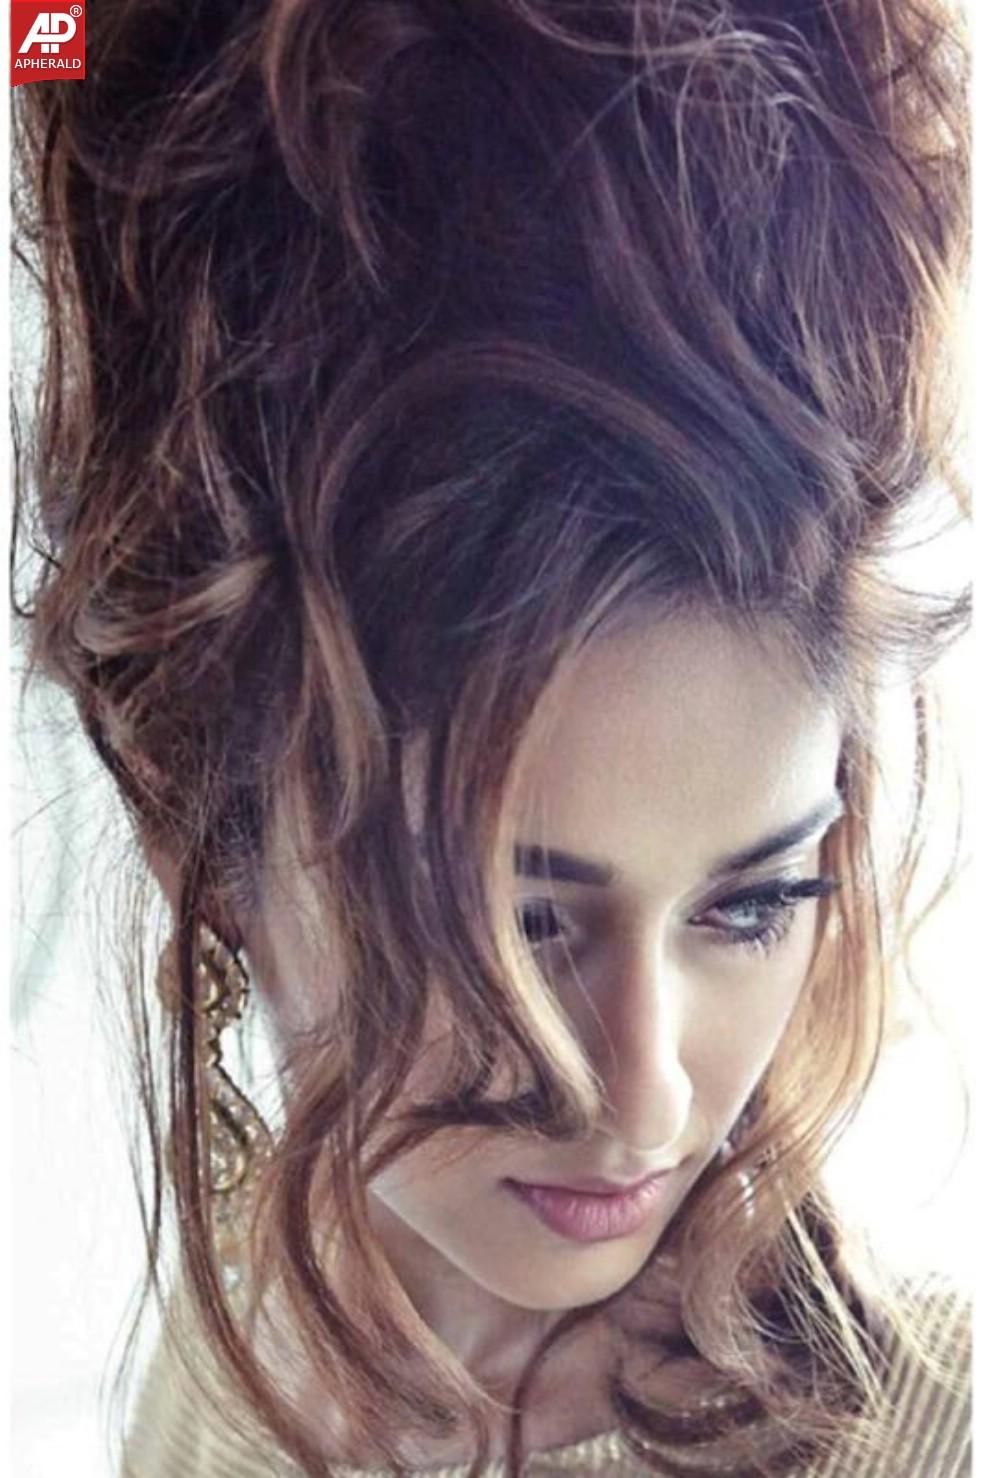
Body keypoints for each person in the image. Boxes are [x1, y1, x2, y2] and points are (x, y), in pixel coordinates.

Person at [11, 1, 971, 1474]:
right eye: (515, 923)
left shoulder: (940, 1427)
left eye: (753, 901)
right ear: (199, 831)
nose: (646, 1097)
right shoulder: (252, 1341)